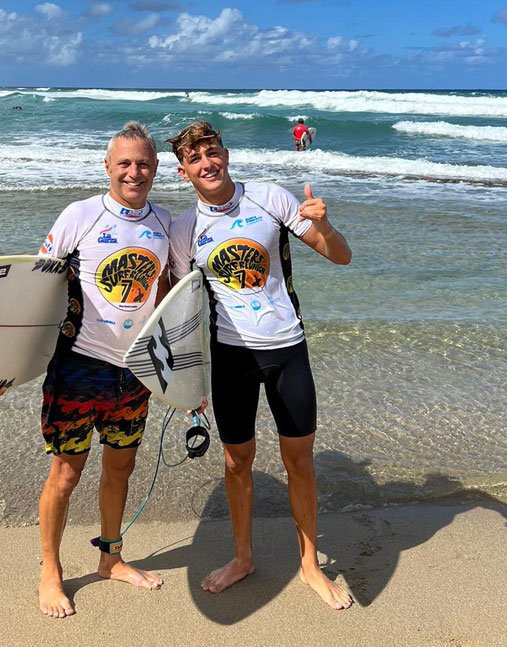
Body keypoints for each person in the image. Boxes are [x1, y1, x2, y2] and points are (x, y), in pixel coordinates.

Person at [166, 121, 353, 610]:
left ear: (225, 154)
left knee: (300, 462)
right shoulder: (184, 230)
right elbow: (179, 310)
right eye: (194, 158)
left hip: (287, 348)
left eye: (212, 151)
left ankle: (310, 565)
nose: (207, 163)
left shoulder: (270, 198)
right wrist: (184, 381)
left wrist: (325, 225)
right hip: (231, 357)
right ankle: (243, 557)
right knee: (236, 463)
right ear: (183, 172)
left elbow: (341, 258)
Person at [0, 122, 170, 618]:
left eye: (143, 164)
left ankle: (110, 559)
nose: (134, 172)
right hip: (78, 368)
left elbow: (173, 300)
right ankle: (50, 571)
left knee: (121, 467)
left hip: (134, 372)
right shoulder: (81, 215)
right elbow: (35, 290)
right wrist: (5, 366)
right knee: (66, 473)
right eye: (124, 163)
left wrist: (183, 376)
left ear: (155, 169)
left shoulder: (165, 223)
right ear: (107, 166)